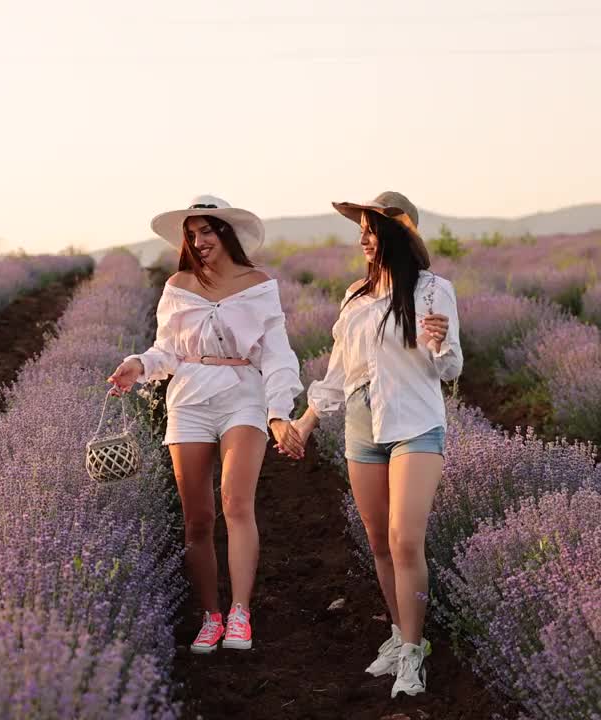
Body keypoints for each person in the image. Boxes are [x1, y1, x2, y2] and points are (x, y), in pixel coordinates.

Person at [107, 195, 304, 654]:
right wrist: (137, 364)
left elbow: (277, 354)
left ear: (226, 234)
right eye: (191, 235)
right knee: (197, 519)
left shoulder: (259, 285)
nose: (198, 242)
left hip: (243, 396)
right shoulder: (178, 284)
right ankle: (210, 616)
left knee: (236, 503)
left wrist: (278, 412)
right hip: (190, 399)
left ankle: (240, 612)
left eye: (206, 232)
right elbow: (166, 351)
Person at [289, 191, 461, 698]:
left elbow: (450, 369)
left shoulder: (433, 290)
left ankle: (415, 650)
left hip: (415, 423)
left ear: (395, 236)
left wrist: (438, 343)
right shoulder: (355, 296)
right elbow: (340, 372)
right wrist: (305, 423)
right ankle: (397, 633)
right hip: (362, 427)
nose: (363, 238)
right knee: (380, 542)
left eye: (371, 229)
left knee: (405, 538)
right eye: (360, 229)